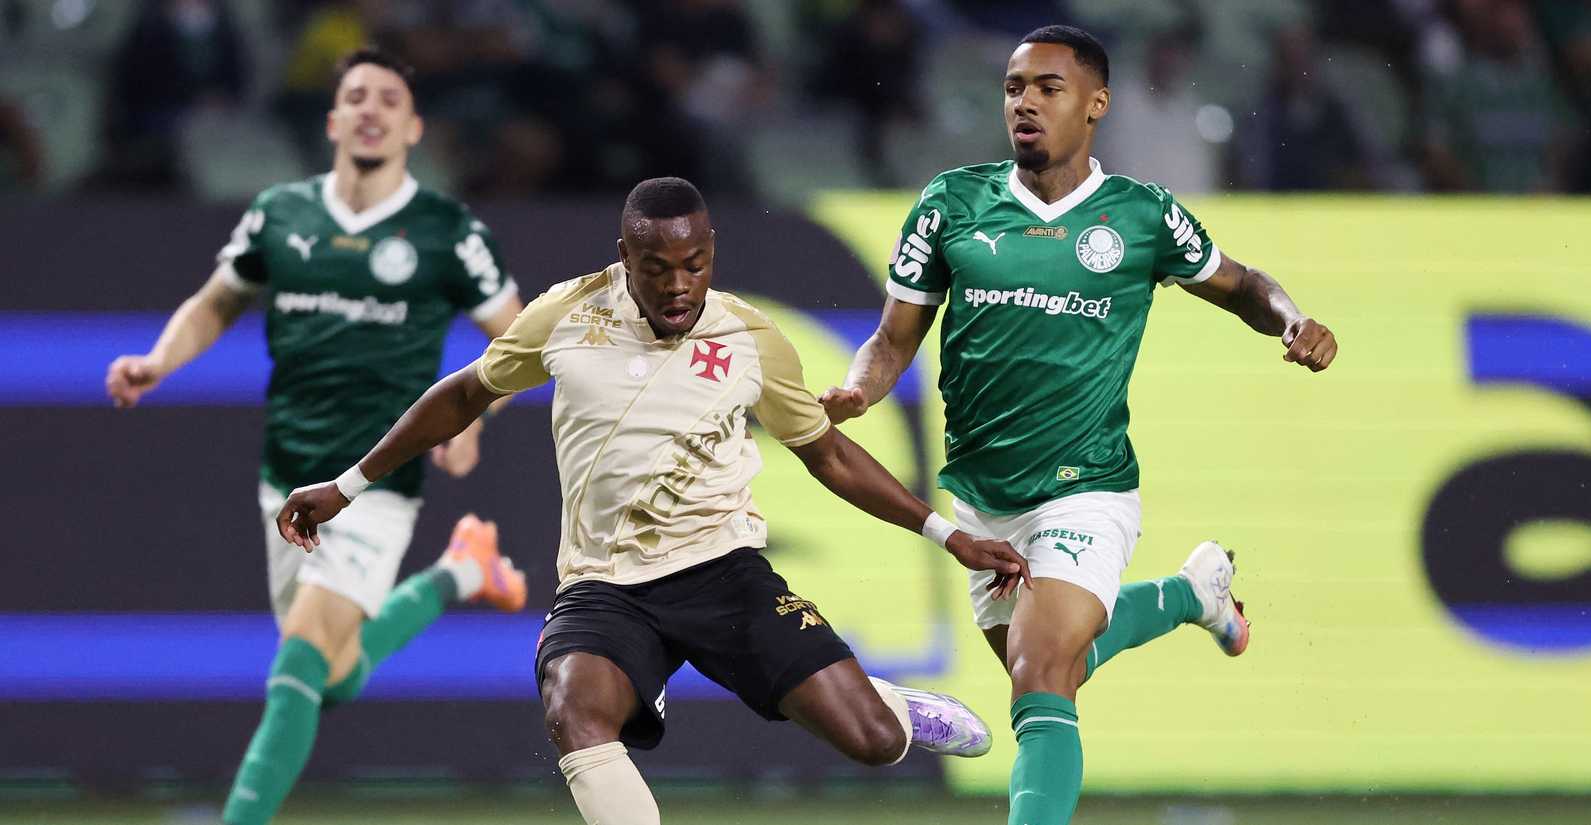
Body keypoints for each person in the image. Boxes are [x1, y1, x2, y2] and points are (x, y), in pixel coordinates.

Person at [275, 176, 1034, 825]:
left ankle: (893, 706)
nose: (678, 286)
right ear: (624, 258)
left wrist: (946, 534)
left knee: (872, 741)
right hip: (604, 586)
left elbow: (828, 454)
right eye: (657, 268)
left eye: (694, 265)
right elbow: (465, 393)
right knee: (572, 707)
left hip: (723, 572)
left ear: (712, 255)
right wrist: (346, 485)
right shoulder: (566, 316)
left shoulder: (750, 337)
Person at [819, 25, 1338, 825]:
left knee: (1038, 674)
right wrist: (859, 390)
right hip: (982, 500)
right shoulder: (951, 204)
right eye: (1013, 88)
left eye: (1047, 88)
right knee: (1058, 667)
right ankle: (1189, 594)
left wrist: (1293, 320)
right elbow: (892, 341)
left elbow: (1241, 283)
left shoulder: (1140, 215)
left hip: (1085, 488)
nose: (1024, 103)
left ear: (1095, 104)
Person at [103, 47, 528, 825]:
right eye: (356, 96)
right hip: (286, 474)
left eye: (389, 100)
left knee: (298, 657)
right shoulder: (280, 213)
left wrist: (476, 415)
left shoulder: (447, 230)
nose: (371, 110)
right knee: (329, 672)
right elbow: (217, 300)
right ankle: (462, 571)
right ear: (332, 121)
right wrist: (158, 360)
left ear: (413, 128)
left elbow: (518, 338)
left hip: (376, 482)